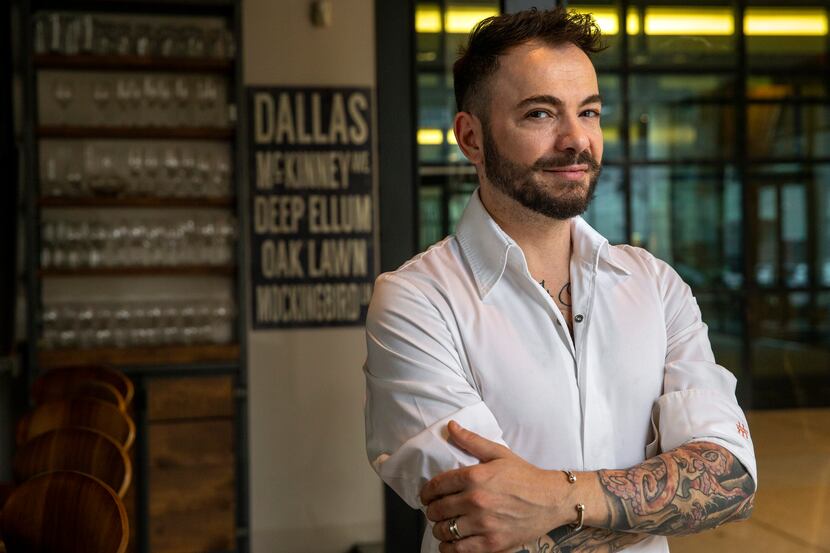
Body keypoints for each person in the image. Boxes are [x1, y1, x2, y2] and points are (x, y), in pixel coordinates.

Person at [364, 7, 756, 553]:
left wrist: (549, 498)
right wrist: (656, 500)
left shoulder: (655, 285)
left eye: (589, 112)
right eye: (541, 114)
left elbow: (729, 480)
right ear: (471, 138)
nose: (576, 140)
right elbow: (485, 519)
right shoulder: (415, 301)